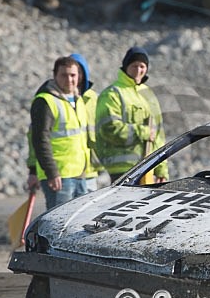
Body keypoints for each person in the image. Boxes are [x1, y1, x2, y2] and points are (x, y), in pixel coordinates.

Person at [27, 53, 103, 192]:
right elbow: (39, 139)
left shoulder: (79, 100)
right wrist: (50, 172)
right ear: (55, 75)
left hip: (82, 174)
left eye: (73, 75)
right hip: (60, 177)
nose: (69, 80)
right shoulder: (46, 101)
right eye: (64, 75)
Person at [96, 46, 168, 183]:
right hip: (122, 170)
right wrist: (143, 132)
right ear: (125, 67)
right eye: (134, 65)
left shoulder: (149, 95)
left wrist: (161, 170)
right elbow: (109, 129)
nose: (138, 70)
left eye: (142, 66)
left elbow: (158, 136)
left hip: (148, 168)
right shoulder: (112, 94)